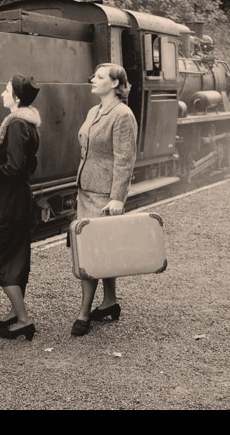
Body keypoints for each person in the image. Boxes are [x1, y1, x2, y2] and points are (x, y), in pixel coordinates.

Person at [71, 63, 138, 337]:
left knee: (91, 252)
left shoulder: (122, 115)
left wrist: (117, 198)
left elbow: (125, 159)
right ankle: (109, 301)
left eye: (99, 77)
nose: (93, 79)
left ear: (114, 84)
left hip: (104, 195)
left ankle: (84, 313)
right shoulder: (94, 111)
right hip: (86, 190)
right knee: (104, 250)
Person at [0, 75, 41, 340]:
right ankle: (16, 312)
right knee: (17, 256)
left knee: (0, 258)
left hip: (10, 202)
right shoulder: (28, 124)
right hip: (19, 198)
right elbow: (26, 166)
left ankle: (24, 319)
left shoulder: (15, 126)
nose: (2, 93)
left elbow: (14, 166)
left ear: (16, 98)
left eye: (7, 90)